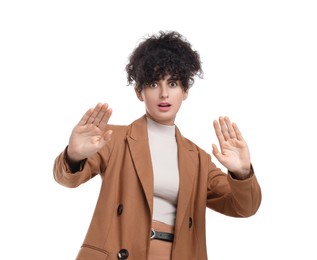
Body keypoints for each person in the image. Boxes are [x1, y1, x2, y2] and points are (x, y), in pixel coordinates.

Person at [53, 31, 261, 260]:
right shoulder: (113, 138)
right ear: (139, 92)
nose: (164, 94)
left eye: (172, 83)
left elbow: (244, 207)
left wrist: (242, 173)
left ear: (185, 91)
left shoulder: (198, 159)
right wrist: (74, 156)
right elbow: (67, 179)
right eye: (153, 83)